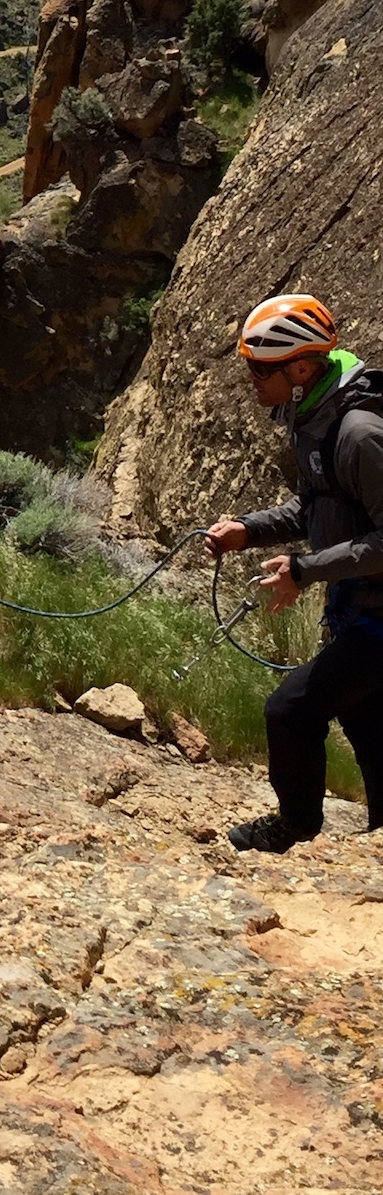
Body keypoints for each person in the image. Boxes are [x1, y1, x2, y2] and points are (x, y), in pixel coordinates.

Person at [206, 293, 383, 853]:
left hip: (379, 616)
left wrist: (306, 569)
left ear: (302, 369)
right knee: (366, 718)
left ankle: (297, 824)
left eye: (262, 369)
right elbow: (319, 509)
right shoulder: (312, 416)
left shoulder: (358, 434)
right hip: (363, 606)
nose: (252, 380)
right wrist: (248, 530)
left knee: (291, 709)